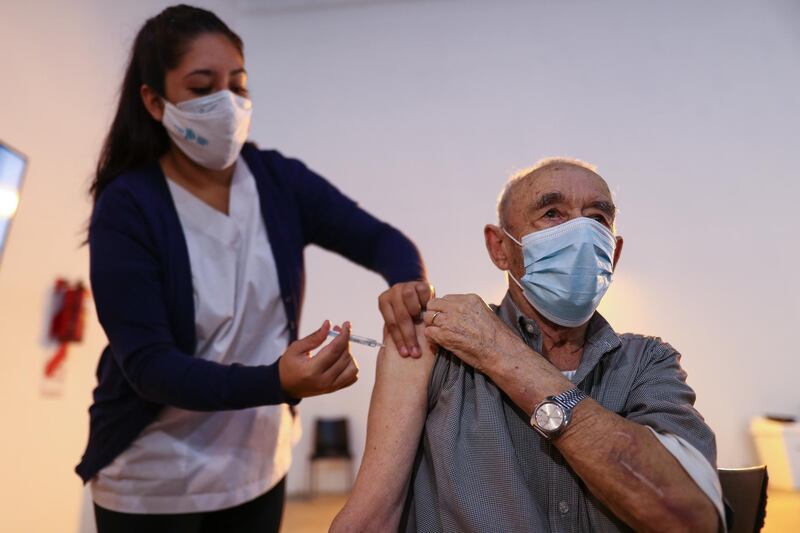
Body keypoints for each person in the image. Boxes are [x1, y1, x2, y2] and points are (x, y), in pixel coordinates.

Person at [75, 5, 430, 532]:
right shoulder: (128, 206)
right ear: (154, 101)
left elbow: (381, 240)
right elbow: (150, 367)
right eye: (202, 88)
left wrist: (405, 282)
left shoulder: (276, 181)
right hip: (155, 483)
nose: (228, 103)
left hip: (260, 466)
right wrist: (277, 381)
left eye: (238, 86)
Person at [332, 158, 725, 532]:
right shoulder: (436, 346)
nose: (580, 233)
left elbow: (689, 520)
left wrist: (502, 353)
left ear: (614, 252)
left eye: (597, 218)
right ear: (499, 247)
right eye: (552, 213)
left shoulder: (649, 363)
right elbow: (370, 519)